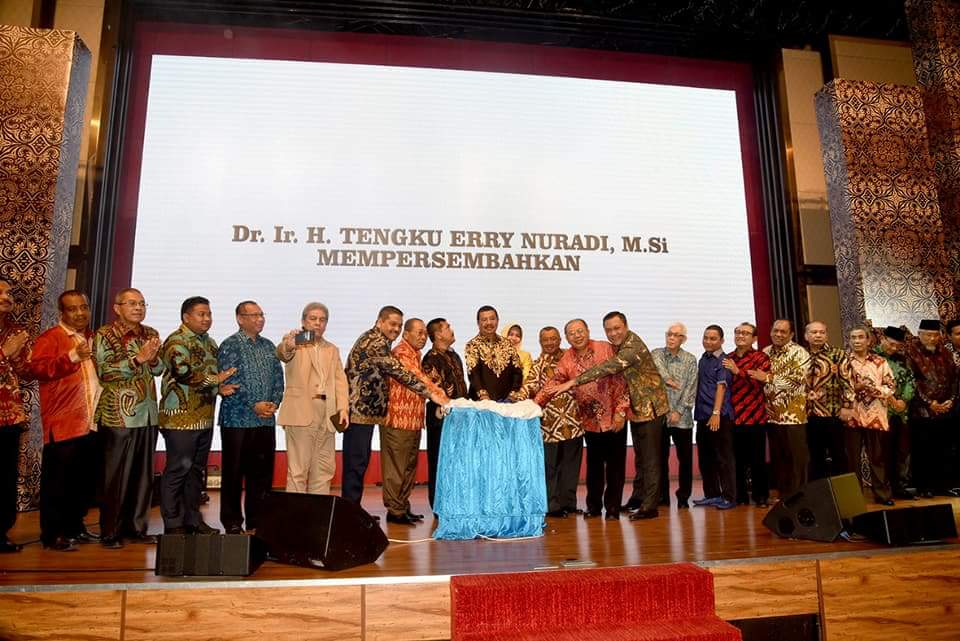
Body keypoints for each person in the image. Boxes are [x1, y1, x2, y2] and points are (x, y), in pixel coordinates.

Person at [553, 311, 669, 521]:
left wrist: (574, 382)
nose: (613, 333)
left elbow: (608, 368)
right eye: (609, 330)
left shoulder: (630, 347)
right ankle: (638, 499)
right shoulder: (612, 347)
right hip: (633, 410)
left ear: (626, 326)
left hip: (648, 408)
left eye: (617, 328)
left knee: (651, 459)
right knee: (642, 459)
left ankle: (650, 507)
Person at [342, 306, 447, 508]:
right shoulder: (375, 342)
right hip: (358, 412)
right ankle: (349, 515)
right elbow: (400, 372)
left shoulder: (381, 341)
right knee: (356, 465)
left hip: (369, 413)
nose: (396, 329)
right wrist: (432, 394)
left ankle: (353, 513)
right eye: (392, 324)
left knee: (359, 464)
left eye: (399, 325)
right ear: (380, 321)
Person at [25, 290, 101, 551]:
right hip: (64, 421)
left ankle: (75, 526)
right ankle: (52, 534)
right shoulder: (51, 338)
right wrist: (72, 357)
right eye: (73, 309)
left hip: (90, 421)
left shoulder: (91, 337)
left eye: (84, 307)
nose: (80, 313)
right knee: (57, 483)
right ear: (62, 313)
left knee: (81, 481)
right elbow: (36, 369)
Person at [158, 296, 237, 535]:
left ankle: (193, 520)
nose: (206, 319)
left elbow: (210, 377)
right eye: (201, 314)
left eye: (209, 314)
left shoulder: (209, 342)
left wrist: (218, 388)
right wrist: (216, 380)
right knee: (177, 470)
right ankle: (172, 523)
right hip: (180, 418)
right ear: (186, 317)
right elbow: (184, 373)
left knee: (195, 472)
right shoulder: (176, 341)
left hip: (203, 416)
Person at [93, 287, 165, 549]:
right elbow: (105, 372)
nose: (138, 308)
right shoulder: (104, 335)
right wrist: (137, 359)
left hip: (147, 413)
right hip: (118, 416)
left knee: (143, 476)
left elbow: (159, 369)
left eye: (142, 303)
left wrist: (154, 358)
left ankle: (136, 527)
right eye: (132, 303)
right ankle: (110, 531)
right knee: (115, 478)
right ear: (117, 307)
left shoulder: (151, 334)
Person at [537, 319, 629, 520]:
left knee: (615, 466)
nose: (577, 335)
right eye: (572, 333)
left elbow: (623, 382)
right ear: (567, 338)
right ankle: (594, 507)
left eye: (580, 331)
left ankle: (612, 508)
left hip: (614, 418)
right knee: (594, 468)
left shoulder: (606, 349)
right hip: (589, 422)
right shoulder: (567, 359)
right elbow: (554, 384)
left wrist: (621, 412)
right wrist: (535, 405)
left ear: (588, 331)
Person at [217, 300, 284, 533]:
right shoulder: (230, 345)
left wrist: (273, 403)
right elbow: (229, 382)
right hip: (237, 420)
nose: (260, 319)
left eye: (261, 314)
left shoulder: (268, 346)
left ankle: (258, 520)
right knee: (234, 475)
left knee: (262, 476)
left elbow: (278, 378)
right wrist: (253, 404)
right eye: (253, 315)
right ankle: (233, 521)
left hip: (265, 420)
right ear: (239, 318)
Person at [275, 302, 348, 497]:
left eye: (322, 320)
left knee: (324, 471)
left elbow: (340, 380)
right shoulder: (296, 341)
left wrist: (343, 409)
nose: (318, 323)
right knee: (298, 471)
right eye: (313, 319)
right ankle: (296, 520)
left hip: (327, 413)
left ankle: (317, 519)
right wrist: (290, 344)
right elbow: (283, 351)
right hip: (301, 413)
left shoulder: (332, 349)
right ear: (303, 321)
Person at [383, 318, 443, 524]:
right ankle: (394, 511)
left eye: (425, 333)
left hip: (414, 420)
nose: (423, 337)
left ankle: (402, 506)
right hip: (398, 420)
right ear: (405, 334)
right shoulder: (401, 353)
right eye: (418, 333)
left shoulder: (416, 354)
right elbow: (417, 378)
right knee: (396, 468)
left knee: (408, 467)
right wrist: (440, 395)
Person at [520, 326, 583, 517]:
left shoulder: (571, 358)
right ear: (540, 342)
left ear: (559, 340)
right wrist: (515, 398)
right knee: (550, 468)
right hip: (549, 426)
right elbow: (529, 387)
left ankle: (569, 504)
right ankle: (553, 506)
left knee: (571, 466)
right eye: (545, 339)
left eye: (553, 339)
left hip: (573, 423)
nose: (549, 343)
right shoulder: (538, 365)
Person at [904, 319, 957, 498]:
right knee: (923, 450)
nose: (932, 339)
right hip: (922, 411)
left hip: (945, 409)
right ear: (919, 334)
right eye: (927, 335)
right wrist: (929, 403)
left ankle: (944, 485)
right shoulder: (911, 352)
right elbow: (912, 381)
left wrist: (950, 399)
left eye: (935, 335)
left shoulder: (946, 353)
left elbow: (954, 379)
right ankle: (924, 486)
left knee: (944, 449)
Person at [759, 319, 810, 498]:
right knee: (779, 458)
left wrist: (768, 378)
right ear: (771, 332)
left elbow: (797, 380)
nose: (778, 334)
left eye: (783, 332)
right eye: (776, 331)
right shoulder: (765, 352)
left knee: (796, 458)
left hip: (793, 415)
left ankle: (799, 495)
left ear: (791, 335)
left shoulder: (800, 353)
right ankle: (784, 495)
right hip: (772, 415)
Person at [421, 318, 468, 511]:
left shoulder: (454, 356)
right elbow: (435, 390)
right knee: (440, 461)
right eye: (448, 327)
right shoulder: (430, 359)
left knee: (458, 461)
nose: (451, 330)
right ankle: (440, 505)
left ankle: (456, 502)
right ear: (438, 334)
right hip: (441, 416)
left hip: (460, 415)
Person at [846, 325, 896, 505]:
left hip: (876, 415)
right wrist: (854, 389)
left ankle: (882, 495)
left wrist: (870, 388)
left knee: (878, 458)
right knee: (852, 460)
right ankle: (853, 498)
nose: (857, 341)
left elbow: (890, 387)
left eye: (860, 337)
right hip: (852, 415)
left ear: (868, 340)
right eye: (853, 338)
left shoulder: (880, 362)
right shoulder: (843, 361)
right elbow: (839, 389)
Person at [723, 322, 771, 507]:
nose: (740, 336)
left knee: (757, 460)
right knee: (737, 460)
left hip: (755, 417)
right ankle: (740, 496)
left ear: (754, 338)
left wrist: (738, 371)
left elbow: (760, 383)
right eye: (737, 332)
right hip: (734, 417)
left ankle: (761, 497)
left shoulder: (761, 358)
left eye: (745, 333)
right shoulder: (728, 357)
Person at [650, 323, 697, 509]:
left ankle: (683, 497)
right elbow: (660, 371)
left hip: (682, 417)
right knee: (660, 459)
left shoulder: (690, 359)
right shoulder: (656, 354)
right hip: (660, 415)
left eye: (676, 335)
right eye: (669, 334)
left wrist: (679, 410)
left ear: (683, 339)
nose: (671, 338)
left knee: (685, 460)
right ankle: (662, 496)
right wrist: (669, 380)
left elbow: (691, 386)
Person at [691, 325, 737, 510]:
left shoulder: (724, 360)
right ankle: (712, 494)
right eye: (706, 337)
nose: (708, 341)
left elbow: (721, 387)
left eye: (713, 338)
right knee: (706, 457)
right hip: (702, 415)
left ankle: (729, 497)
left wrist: (716, 413)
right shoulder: (703, 359)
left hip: (719, 416)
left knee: (723, 458)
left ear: (721, 341)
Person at [804, 321, 855, 480]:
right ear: (806, 336)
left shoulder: (838, 355)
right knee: (814, 457)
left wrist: (847, 406)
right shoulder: (801, 355)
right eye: (814, 332)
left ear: (826, 335)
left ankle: (842, 497)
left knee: (838, 455)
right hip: (807, 415)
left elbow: (848, 381)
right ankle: (819, 496)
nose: (818, 335)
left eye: (821, 332)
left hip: (832, 413)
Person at [0, 279, 29, 553]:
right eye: (2, 292)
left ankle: (1, 532)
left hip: (9, 417)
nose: (7, 296)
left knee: (6, 476)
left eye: (9, 292)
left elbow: (26, 371)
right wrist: (4, 354)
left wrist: (17, 355)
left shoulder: (15, 330)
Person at [873, 326, 916, 499]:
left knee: (901, 451)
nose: (893, 349)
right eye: (890, 344)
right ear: (882, 339)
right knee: (882, 453)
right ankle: (883, 489)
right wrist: (891, 400)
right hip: (880, 411)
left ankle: (900, 487)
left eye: (897, 346)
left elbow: (910, 382)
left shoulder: (903, 360)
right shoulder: (872, 358)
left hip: (900, 412)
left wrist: (903, 400)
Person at [465, 306, 524, 401]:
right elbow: (473, 374)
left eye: (492, 319)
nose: (489, 323)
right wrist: (483, 395)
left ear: (498, 320)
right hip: (482, 403)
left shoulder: (507, 343)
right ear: (478, 323)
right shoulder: (472, 345)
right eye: (484, 320)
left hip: (507, 403)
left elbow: (517, 371)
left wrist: (513, 394)